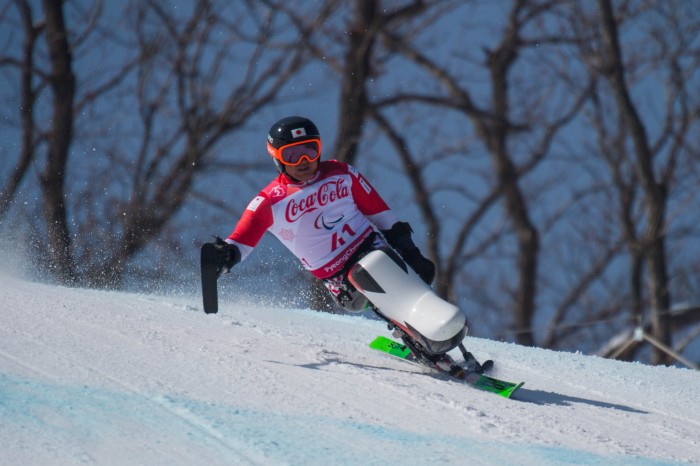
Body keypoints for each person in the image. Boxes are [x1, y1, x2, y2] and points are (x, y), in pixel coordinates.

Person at [215, 115, 435, 314]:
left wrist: (411, 252)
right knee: (369, 281)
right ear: (277, 158)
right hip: (339, 276)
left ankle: (426, 323)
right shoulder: (270, 201)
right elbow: (242, 239)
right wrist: (226, 255)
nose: (303, 161)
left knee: (406, 275)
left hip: (371, 248)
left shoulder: (342, 173)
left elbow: (381, 215)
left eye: (310, 151)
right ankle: (405, 325)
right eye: (292, 155)